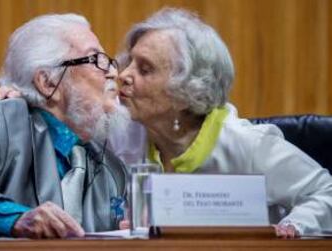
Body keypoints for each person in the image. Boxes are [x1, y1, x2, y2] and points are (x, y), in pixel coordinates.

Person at [112, 8, 332, 238]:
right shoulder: (125, 132)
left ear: (185, 91)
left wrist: (293, 227)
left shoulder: (248, 145)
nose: (123, 74)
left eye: (145, 69)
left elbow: (326, 192)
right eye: (129, 61)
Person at [0, 13, 131, 238]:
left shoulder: (113, 169)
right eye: (96, 60)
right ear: (48, 82)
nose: (113, 72)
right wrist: (13, 218)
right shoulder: (6, 125)